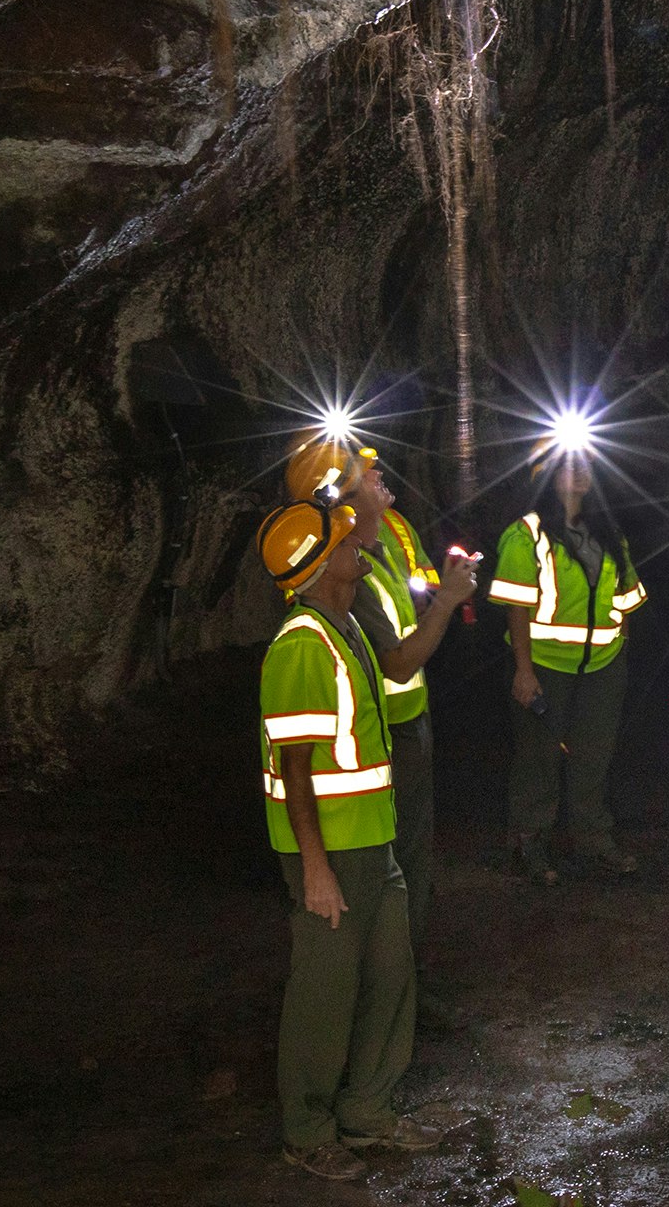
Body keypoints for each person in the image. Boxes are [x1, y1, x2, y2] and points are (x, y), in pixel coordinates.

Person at [252, 490, 442, 1180]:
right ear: (320, 562)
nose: (360, 541)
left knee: (390, 976)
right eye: (345, 539)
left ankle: (368, 1112)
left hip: (372, 840)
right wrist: (314, 869)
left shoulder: (345, 628)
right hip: (331, 850)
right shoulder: (302, 647)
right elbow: (295, 770)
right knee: (324, 993)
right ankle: (307, 1130)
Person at [485, 439, 647, 886]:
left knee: (594, 758)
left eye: (585, 465)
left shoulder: (609, 533)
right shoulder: (528, 533)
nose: (577, 473)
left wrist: (619, 660)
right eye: (566, 466)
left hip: (602, 669)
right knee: (538, 761)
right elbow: (516, 606)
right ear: (546, 476)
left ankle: (593, 840)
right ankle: (531, 843)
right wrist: (523, 670)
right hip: (545, 666)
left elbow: (627, 600)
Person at [341, 458, 477, 975]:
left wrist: (444, 594)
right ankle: (389, 992)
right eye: (366, 473)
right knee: (391, 868)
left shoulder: (383, 549)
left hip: (408, 725)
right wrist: (447, 602)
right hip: (381, 737)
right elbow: (396, 663)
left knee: (414, 863)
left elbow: (409, 629)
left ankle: (405, 985)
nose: (379, 474)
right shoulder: (350, 567)